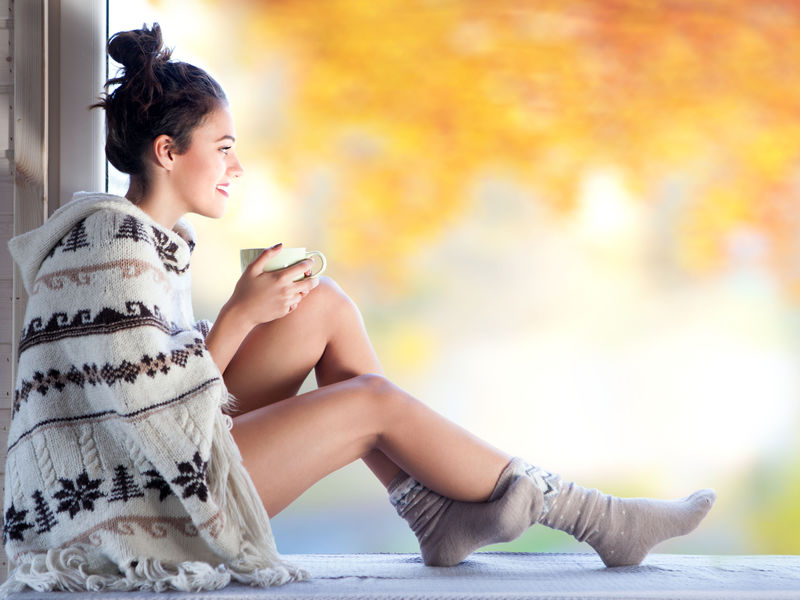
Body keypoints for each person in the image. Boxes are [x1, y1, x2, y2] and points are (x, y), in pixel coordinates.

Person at [2, 24, 716, 593]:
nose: (236, 167)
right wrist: (241, 317)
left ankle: (430, 513)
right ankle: (600, 519)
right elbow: (141, 424)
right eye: (222, 148)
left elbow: (151, 385)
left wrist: (263, 307)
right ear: (166, 151)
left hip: (164, 463)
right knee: (369, 401)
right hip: (133, 511)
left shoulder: (146, 241)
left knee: (324, 307)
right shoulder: (106, 246)